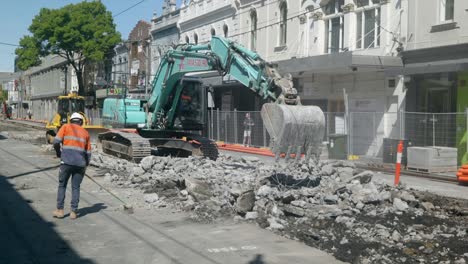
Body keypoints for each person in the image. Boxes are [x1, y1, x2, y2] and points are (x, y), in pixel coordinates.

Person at [52, 112, 91, 219]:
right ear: (81, 122)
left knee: (62, 185)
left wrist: (58, 153)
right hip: (80, 165)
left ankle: (60, 211)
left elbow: (56, 142)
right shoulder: (86, 133)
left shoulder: (65, 127)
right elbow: (88, 153)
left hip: (66, 163)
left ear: (71, 120)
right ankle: (73, 212)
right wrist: (85, 165)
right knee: (76, 187)